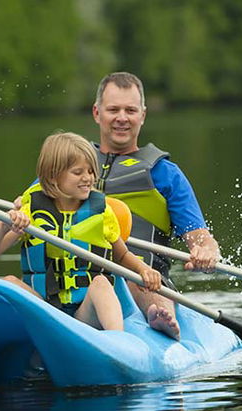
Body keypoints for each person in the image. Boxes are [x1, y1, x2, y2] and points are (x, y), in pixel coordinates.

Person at [0, 131, 162, 331]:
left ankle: (117, 339)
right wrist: (3, 225)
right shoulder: (31, 212)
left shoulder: (102, 213)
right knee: (9, 282)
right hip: (45, 311)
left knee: (101, 283)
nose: (87, 178)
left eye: (91, 171)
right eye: (78, 172)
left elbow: (122, 255)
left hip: (84, 315)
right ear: (54, 176)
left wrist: (144, 270)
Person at [92, 71, 221, 339]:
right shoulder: (68, 164)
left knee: (135, 280)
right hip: (75, 280)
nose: (122, 118)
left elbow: (199, 237)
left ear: (143, 115)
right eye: (113, 109)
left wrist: (206, 251)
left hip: (142, 279)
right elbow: (30, 207)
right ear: (97, 113)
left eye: (130, 110)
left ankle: (160, 315)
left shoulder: (165, 173)